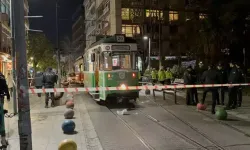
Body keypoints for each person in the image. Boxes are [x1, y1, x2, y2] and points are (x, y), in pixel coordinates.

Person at [0, 72, 10, 147]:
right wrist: (8, 96)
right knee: (1, 120)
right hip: (0, 99)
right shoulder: (2, 78)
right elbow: (6, 88)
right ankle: (3, 141)